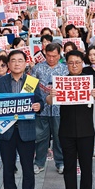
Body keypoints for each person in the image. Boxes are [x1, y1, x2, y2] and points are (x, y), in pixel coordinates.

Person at [48, 50, 95, 189]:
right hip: (66, 130)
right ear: (67, 64)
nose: (74, 65)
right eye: (71, 62)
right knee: (69, 166)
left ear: (82, 64)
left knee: (87, 166)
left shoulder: (89, 79)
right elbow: (50, 101)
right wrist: (51, 95)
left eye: (77, 62)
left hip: (86, 130)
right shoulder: (62, 81)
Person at [0, 50, 43, 189]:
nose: (17, 63)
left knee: (28, 166)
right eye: (13, 60)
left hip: (26, 130)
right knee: (8, 165)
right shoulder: (1, 82)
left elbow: (40, 101)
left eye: (20, 60)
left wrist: (38, 106)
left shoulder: (32, 82)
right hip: (7, 130)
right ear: (9, 64)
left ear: (25, 63)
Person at [31, 43, 68, 174]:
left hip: (59, 110)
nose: (51, 59)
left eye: (54, 56)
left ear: (59, 55)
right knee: (41, 137)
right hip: (41, 109)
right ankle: (39, 163)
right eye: (48, 56)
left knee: (59, 136)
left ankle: (60, 162)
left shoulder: (65, 69)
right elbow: (31, 88)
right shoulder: (37, 69)